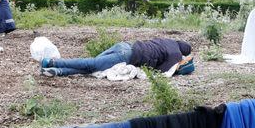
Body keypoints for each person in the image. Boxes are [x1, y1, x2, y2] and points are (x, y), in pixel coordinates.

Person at [40, 38, 192, 77]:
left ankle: (58, 71)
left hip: (125, 45)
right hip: (127, 56)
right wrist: (180, 64)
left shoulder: (168, 41)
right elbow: (163, 72)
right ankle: (53, 62)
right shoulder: (176, 54)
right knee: (91, 65)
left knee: (93, 68)